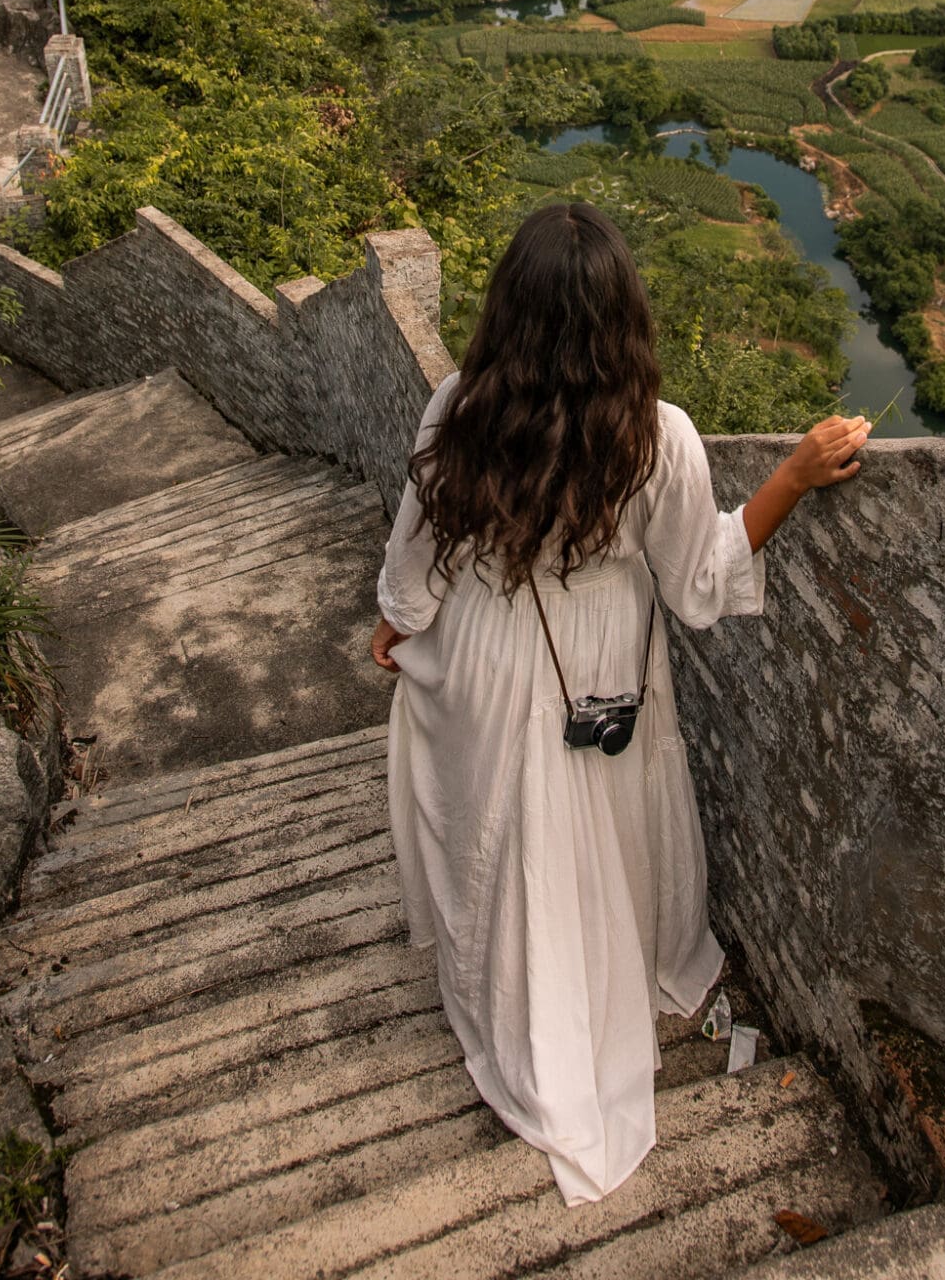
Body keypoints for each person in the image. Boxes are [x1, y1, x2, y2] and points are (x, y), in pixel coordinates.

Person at [371, 202, 870, 1206]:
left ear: (506, 310)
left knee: (496, 827)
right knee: (591, 817)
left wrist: (397, 621)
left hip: (481, 641)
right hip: (600, 656)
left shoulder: (458, 408)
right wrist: (794, 473)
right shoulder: (657, 436)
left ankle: (508, 999)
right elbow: (699, 579)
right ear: (621, 320)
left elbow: (418, 553)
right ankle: (590, 992)